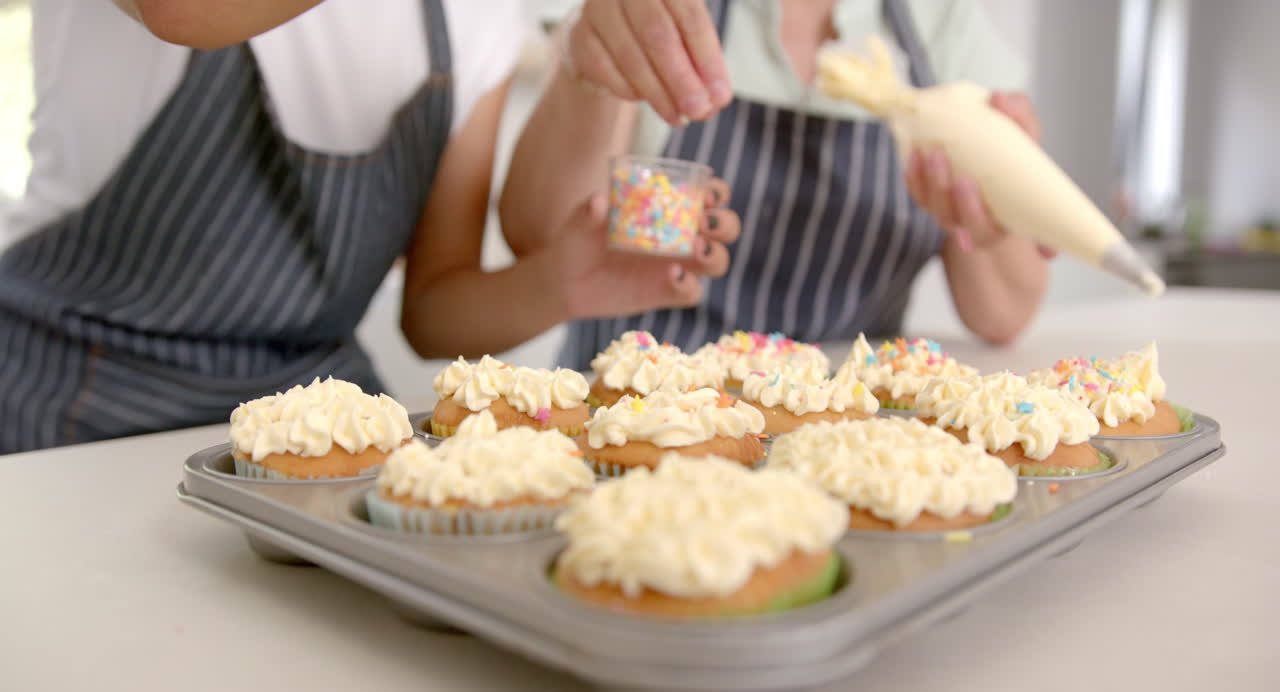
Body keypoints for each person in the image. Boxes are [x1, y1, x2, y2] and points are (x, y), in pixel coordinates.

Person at [0, 0, 740, 453]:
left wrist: (560, 282)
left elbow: (433, 310)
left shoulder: (470, 15)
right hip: (69, 397)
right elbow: (179, 7)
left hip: (314, 415)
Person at [502, 0, 1053, 372]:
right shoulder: (654, 9)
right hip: (627, 412)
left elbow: (1001, 312)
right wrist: (592, 69)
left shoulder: (940, 24)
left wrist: (984, 206)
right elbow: (540, 238)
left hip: (849, 437)